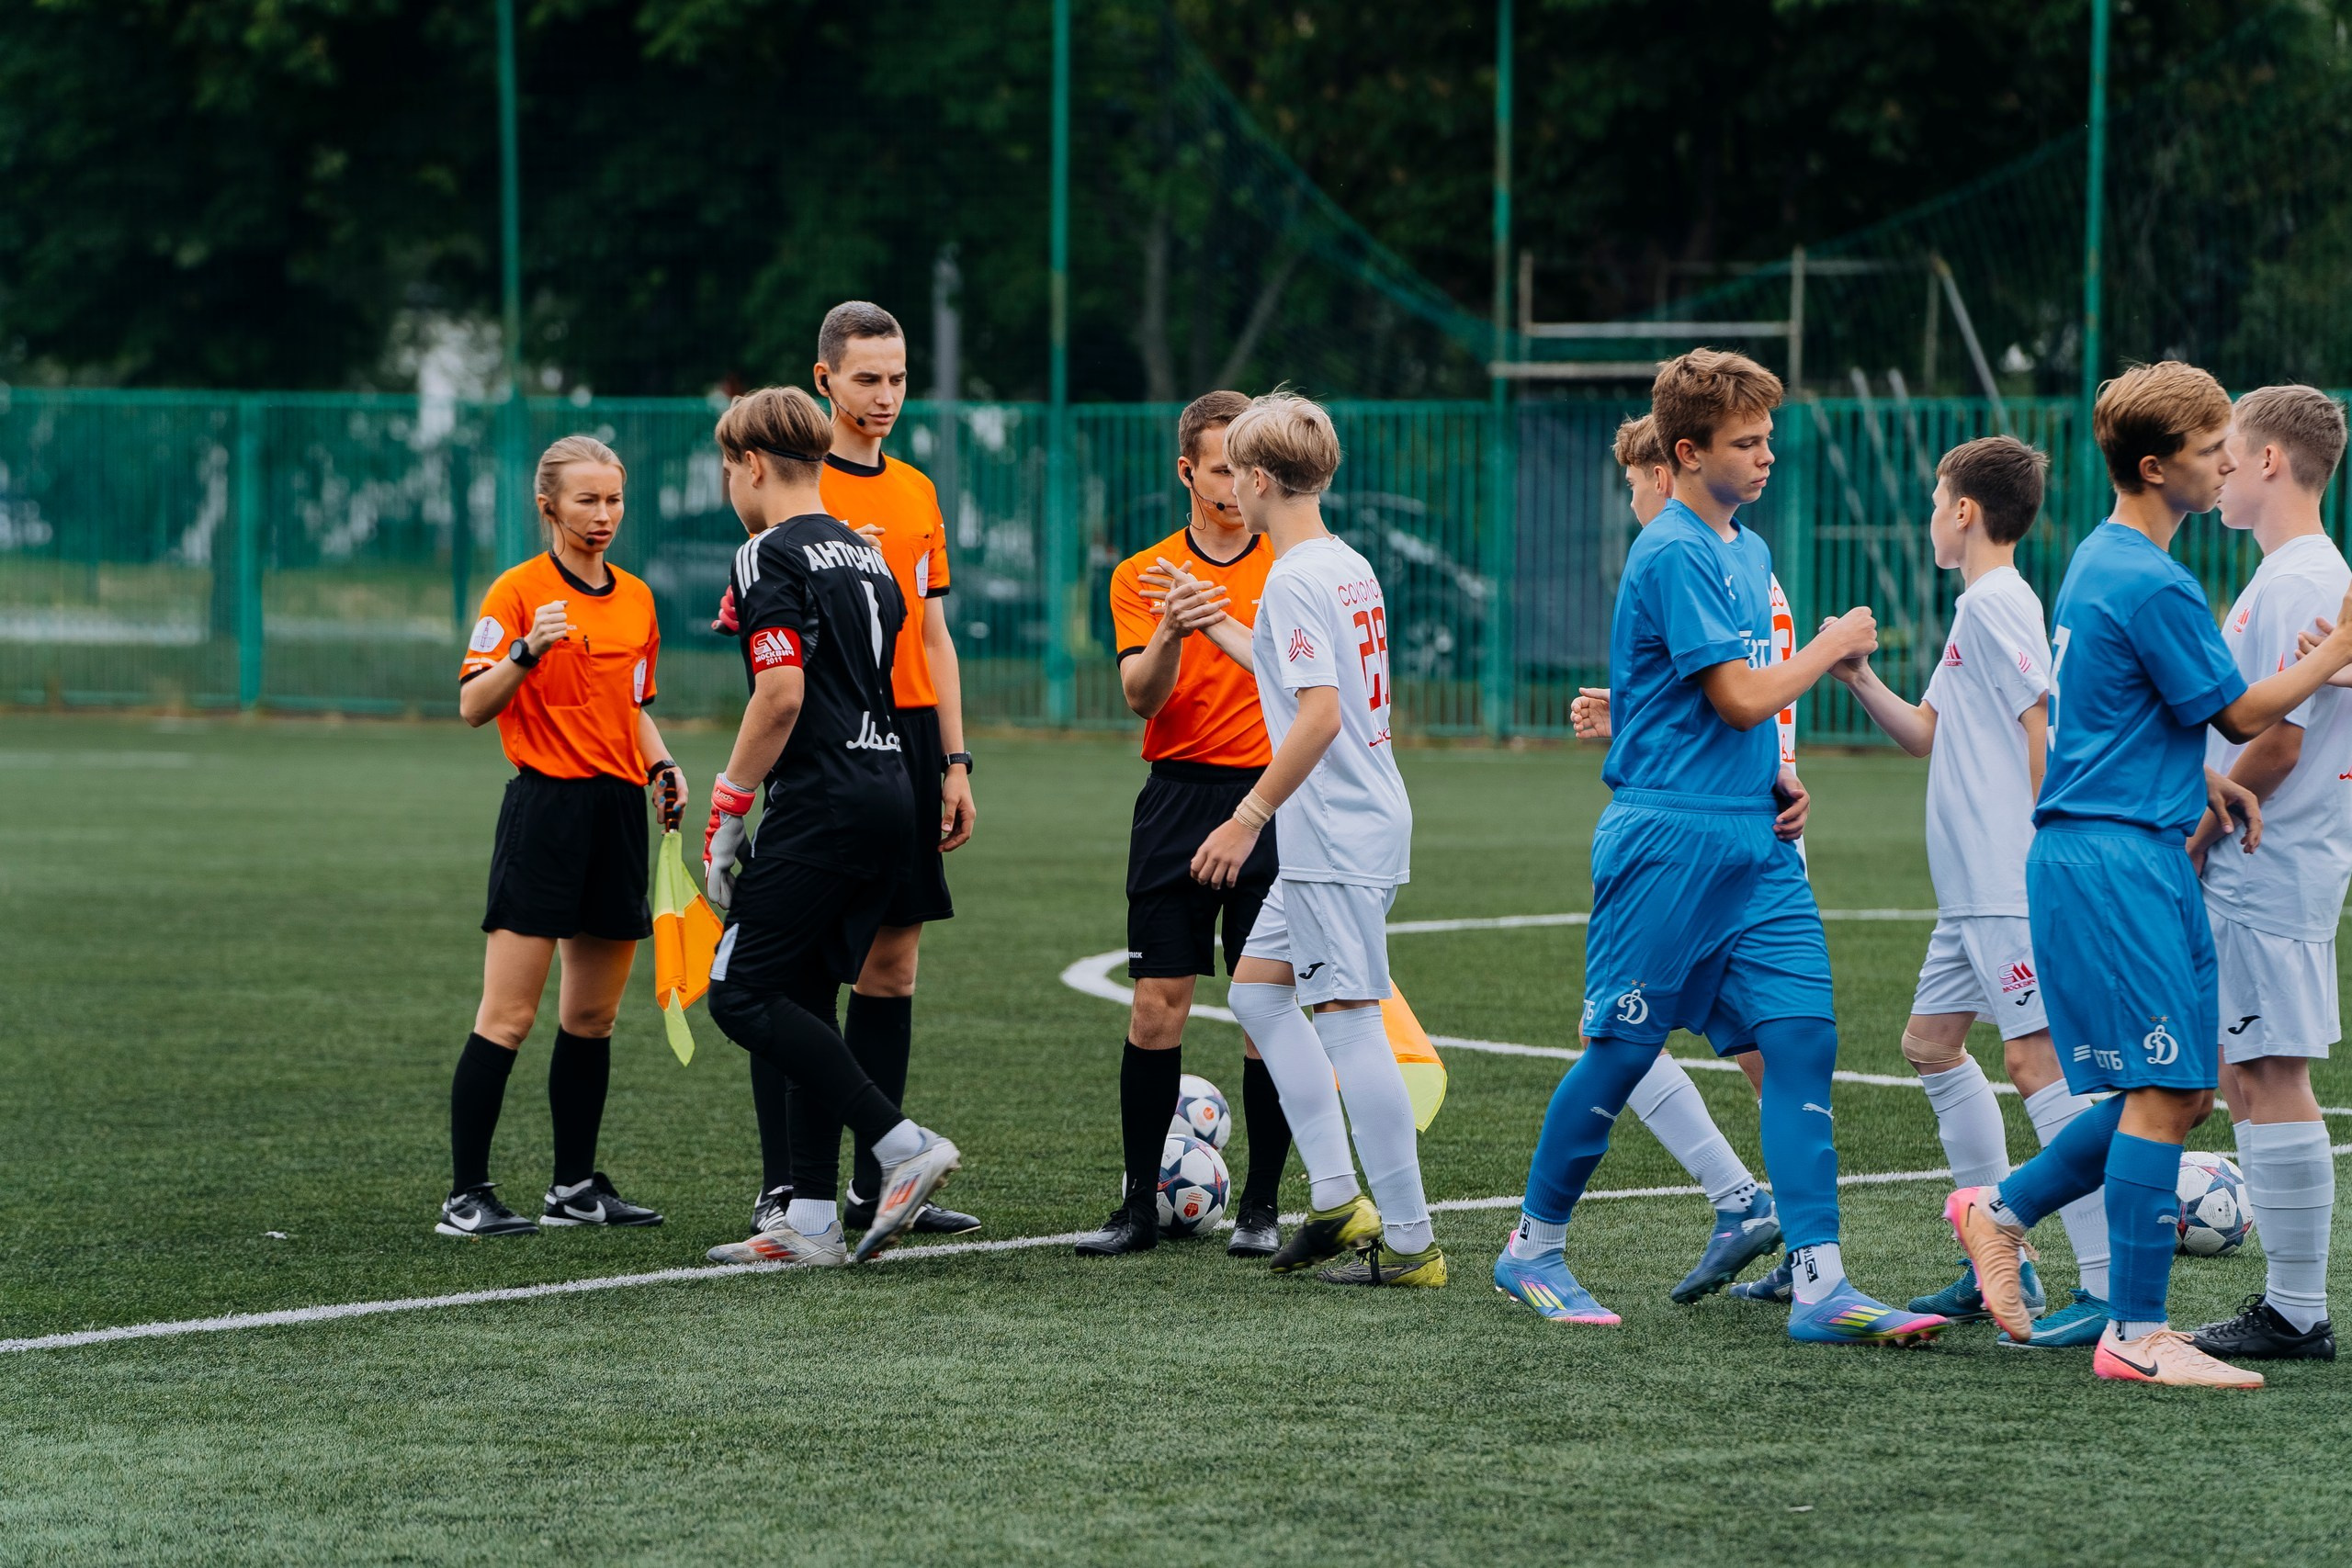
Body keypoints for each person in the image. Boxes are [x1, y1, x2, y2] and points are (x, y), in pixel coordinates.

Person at [1494, 349, 1942, 1343]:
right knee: (1618, 1049)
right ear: (1687, 453)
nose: (1766, 454)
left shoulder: (1741, 545)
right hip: (1668, 843)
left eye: (1768, 436)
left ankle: (1822, 1282)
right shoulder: (1673, 549)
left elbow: (1722, 711)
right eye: (1747, 442)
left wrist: (1772, 775)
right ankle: (1531, 1246)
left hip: (1754, 842)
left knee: (1800, 1042)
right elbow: (1738, 694)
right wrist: (1828, 650)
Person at [1948, 361, 2352, 1388]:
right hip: (2114, 856)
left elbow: (2133, 713)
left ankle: (2002, 1213)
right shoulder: (2150, 578)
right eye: (2210, 450)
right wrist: (2337, 650)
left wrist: (2195, 789)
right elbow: (2243, 715)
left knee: (2172, 1091)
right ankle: (2133, 1330)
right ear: (2154, 466)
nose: (2227, 464)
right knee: (2170, 1087)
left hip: (2128, 838)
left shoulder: (2103, 557)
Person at [1826, 435, 2115, 1348]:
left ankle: (2104, 1284)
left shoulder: (1998, 604)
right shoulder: (1976, 606)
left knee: (2036, 1064)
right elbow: (1925, 734)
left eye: (1933, 499)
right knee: (1929, 1045)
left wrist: (2049, 847)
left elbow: (2043, 724)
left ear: (1962, 512)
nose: (1926, 518)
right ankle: (2001, 1258)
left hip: (2006, 878)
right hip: (1969, 894)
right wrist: (1858, 675)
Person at [718, 301, 978, 1242]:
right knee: (792, 973)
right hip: (832, 743)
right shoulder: (796, 490)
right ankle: (792, 1190)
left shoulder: (912, 493)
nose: (885, 396)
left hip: (897, 747)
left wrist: (953, 759)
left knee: (887, 971)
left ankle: (877, 1186)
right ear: (822, 382)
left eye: (899, 378)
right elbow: (778, 663)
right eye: (867, 378)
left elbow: (936, 635)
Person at [1185, 390, 1444, 1287]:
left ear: (1258, 480)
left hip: (1333, 829)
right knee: (1258, 997)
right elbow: (1300, 667)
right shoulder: (1341, 562)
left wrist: (1244, 816)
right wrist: (1215, 622)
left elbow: (1319, 717)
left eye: (1232, 475)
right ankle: (1336, 1199)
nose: (1229, 491)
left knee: (1350, 1025)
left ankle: (1410, 1244)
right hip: (1344, 824)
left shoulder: (1292, 577)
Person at [1566, 413, 1792, 1303]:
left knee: (1622, 1032)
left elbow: (1737, 699)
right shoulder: (1740, 558)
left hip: (1715, 830)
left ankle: (1755, 1209)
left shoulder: (1690, 555)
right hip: (1752, 814)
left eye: (1633, 483)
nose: (1631, 502)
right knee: (1772, 1048)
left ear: (1667, 473)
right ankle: (1794, 1237)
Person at [440, 435, 684, 1238]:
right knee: (506, 1016)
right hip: (544, 814)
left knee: (593, 1019)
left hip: (616, 814)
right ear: (548, 506)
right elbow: (475, 705)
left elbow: (632, 705)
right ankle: (466, 1194)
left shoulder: (639, 599)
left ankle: (574, 1187)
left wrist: (660, 766)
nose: (603, 515)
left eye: (613, 499)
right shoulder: (517, 592)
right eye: (587, 500)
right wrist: (525, 649)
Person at [1075, 389, 1296, 1259]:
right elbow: (1140, 695)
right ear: (1187, 471)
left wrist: (1231, 618)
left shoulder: (1291, 563)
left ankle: (1264, 1208)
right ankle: (1136, 1208)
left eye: (1249, 470)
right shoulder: (1143, 572)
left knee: (1264, 1009)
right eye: (1219, 470)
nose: (1238, 487)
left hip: (1270, 801)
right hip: (1175, 799)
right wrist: (1173, 623)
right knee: (1158, 1007)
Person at [2182, 385, 2350, 1364]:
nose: (2218, 470)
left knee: (2267, 1069)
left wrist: (2197, 838)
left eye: (2228, 453)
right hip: (2275, 857)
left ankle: (2294, 1309)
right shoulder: (2291, 574)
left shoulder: (2296, 579)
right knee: (2248, 1075)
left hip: (2265, 855)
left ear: (2272, 463)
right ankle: (2290, 1304)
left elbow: (2276, 747)